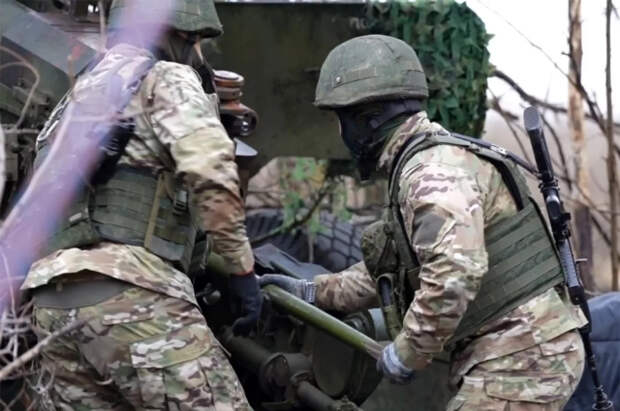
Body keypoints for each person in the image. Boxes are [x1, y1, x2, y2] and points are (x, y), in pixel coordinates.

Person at [259, 34, 587, 411]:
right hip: (520, 350)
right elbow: (388, 273)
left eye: (341, 120)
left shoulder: (429, 174)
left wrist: (408, 351)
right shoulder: (427, 162)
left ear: (368, 120)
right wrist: (312, 292)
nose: (340, 134)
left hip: (524, 358)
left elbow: (454, 274)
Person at [21, 0, 258, 409]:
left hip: (53, 304)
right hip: (134, 296)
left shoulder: (82, 89)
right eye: (198, 42)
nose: (200, 55)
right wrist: (242, 271)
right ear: (180, 34)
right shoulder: (168, 76)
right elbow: (211, 173)